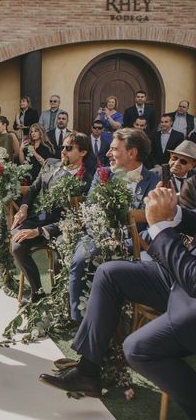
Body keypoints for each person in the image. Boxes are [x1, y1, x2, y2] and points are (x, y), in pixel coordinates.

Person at [39, 185, 196, 419]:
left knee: (137, 348)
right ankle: (88, 372)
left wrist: (160, 228)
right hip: (181, 273)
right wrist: (176, 213)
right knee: (109, 274)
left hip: (190, 289)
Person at [68, 128, 160, 322]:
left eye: (114, 149)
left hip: (134, 244)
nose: (108, 154)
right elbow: (91, 211)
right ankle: (78, 319)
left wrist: (127, 241)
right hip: (98, 235)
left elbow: (156, 223)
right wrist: (105, 236)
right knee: (81, 259)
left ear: (132, 152)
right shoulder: (103, 174)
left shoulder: (154, 181)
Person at [11, 132, 93, 303]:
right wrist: (24, 208)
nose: (63, 151)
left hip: (63, 227)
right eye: (63, 146)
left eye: (69, 148)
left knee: (64, 247)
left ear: (83, 152)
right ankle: (37, 293)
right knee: (17, 246)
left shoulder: (87, 181)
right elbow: (33, 188)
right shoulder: (50, 164)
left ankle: (58, 299)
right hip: (38, 218)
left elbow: (75, 218)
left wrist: (40, 231)